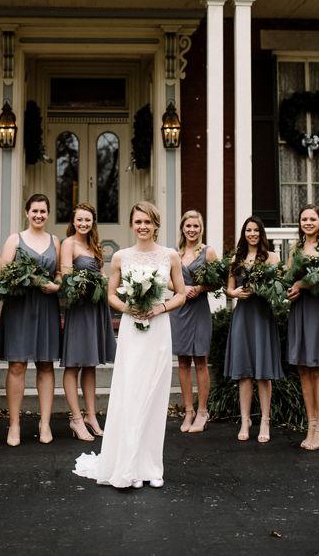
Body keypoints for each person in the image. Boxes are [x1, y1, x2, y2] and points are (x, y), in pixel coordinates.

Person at [73, 201, 188, 489]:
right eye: (138, 222)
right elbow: (111, 294)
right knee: (131, 394)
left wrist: (160, 308)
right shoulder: (122, 257)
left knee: (154, 395)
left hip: (158, 330)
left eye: (147, 222)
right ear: (131, 224)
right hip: (132, 330)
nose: (143, 227)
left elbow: (181, 293)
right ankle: (129, 465)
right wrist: (128, 308)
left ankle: (151, 466)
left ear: (156, 225)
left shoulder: (170, 255)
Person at [0, 194, 63, 446]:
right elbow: (3, 275)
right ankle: (14, 424)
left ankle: (44, 422)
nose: (39, 215)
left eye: (43, 211)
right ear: (27, 213)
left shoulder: (54, 241)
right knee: (17, 365)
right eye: (34, 211)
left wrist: (56, 286)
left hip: (46, 306)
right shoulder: (15, 239)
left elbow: (58, 273)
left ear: (47, 214)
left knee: (46, 364)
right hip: (19, 307)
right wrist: (29, 280)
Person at [285, 204, 319, 451]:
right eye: (304, 219)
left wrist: (302, 284)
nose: (308, 222)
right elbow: (288, 276)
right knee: (303, 369)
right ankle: (311, 424)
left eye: (312, 219)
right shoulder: (295, 248)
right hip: (299, 310)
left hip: (318, 310)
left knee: (318, 367)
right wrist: (289, 290)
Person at [222, 217, 282, 443]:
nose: (252, 233)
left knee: (263, 373)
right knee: (244, 372)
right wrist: (235, 293)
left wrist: (261, 288)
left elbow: (278, 288)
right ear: (244, 233)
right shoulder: (235, 259)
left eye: (256, 230)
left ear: (261, 233)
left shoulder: (272, 258)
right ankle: (245, 419)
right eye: (248, 230)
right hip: (243, 316)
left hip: (262, 316)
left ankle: (265, 420)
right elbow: (228, 289)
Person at [58, 203, 113, 441]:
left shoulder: (95, 245)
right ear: (73, 221)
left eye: (88, 220)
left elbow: (100, 275)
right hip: (79, 308)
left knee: (90, 364)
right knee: (74, 364)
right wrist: (90, 284)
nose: (83, 224)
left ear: (93, 222)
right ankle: (76, 418)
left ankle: (91, 415)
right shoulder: (68, 243)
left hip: (96, 308)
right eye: (80, 220)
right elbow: (68, 276)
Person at [171, 210, 215, 433]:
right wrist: (182, 288)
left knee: (200, 360)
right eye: (188, 226)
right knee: (182, 362)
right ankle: (188, 410)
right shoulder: (174, 253)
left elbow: (217, 282)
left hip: (198, 310)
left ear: (201, 228)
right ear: (182, 228)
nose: (191, 230)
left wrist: (199, 288)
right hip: (179, 310)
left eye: (196, 226)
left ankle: (202, 411)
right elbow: (166, 282)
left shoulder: (208, 252)